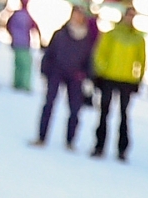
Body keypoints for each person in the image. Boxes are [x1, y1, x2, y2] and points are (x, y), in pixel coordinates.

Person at [33, 4, 97, 149]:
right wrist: (45, 70)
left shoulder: (87, 38)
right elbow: (50, 53)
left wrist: (88, 76)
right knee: (49, 104)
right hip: (56, 72)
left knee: (75, 109)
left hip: (75, 76)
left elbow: (89, 59)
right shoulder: (61, 34)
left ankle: (70, 140)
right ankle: (41, 136)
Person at [88, 3, 146, 161]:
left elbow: (141, 60)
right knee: (104, 112)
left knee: (124, 115)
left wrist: (138, 79)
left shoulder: (138, 38)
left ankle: (122, 149)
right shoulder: (111, 34)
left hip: (127, 80)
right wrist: (100, 72)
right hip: (109, 77)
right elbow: (100, 53)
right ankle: (99, 146)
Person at [5, 0, 40, 92]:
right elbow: (35, 27)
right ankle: (25, 85)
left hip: (16, 42)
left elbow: (7, 26)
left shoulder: (15, 15)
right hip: (24, 43)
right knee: (26, 65)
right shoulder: (27, 16)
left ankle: (17, 82)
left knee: (18, 64)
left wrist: (12, 36)